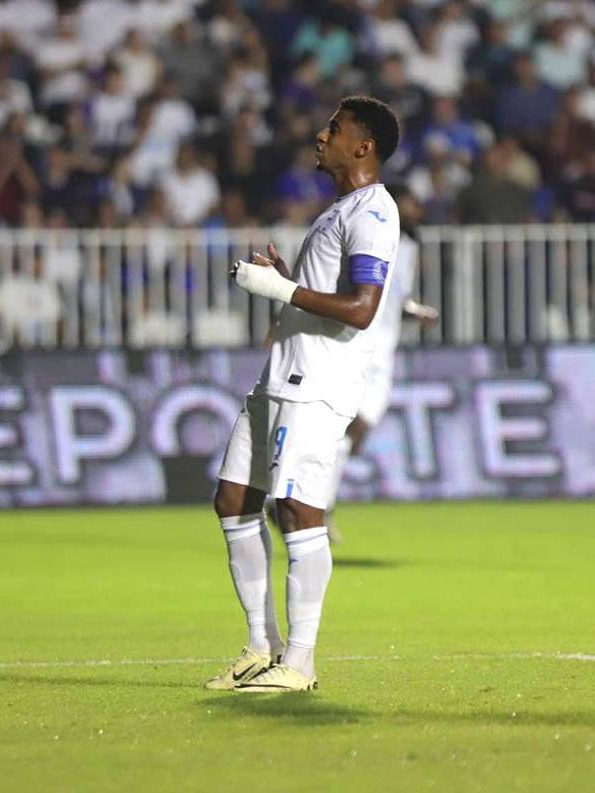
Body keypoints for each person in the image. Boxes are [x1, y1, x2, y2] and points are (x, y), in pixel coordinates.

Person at [208, 96, 400, 693]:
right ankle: (260, 647)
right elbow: (324, 295)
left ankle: (301, 661)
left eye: (334, 129)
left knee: (296, 509)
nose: (321, 135)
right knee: (234, 500)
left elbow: (362, 309)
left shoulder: (373, 211)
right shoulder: (339, 209)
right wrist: (287, 281)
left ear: (362, 147)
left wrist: (279, 290)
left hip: (316, 384)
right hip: (281, 374)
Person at [324, 186, 438, 539]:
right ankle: (311, 505)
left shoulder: (410, 247)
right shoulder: (372, 240)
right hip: (359, 343)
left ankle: (306, 500)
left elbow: (394, 300)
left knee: (357, 429)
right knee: (348, 425)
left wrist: (415, 312)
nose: (416, 209)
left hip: (384, 349)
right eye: (411, 203)